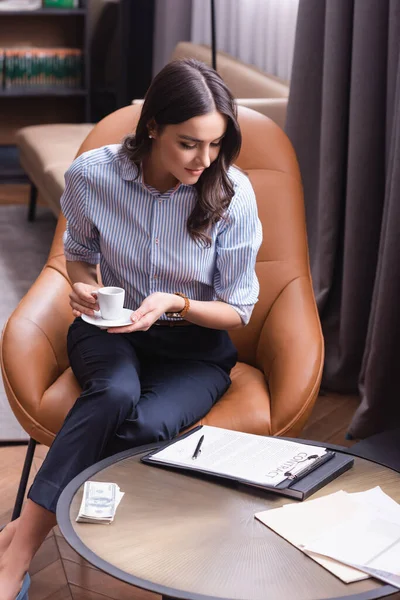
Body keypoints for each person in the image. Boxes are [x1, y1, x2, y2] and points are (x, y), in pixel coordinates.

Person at [0, 58, 262, 599]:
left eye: (214, 145)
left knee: (142, 425)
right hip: (109, 331)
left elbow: (239, 309)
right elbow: (78, 256)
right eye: (189, 143)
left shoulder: (232, 194)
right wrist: (83, 287)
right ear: (152, 128)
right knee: (114, 391)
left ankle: (23, 532)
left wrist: (180, 304)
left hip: (195, 348)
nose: (204, 160)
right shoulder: (92, 175)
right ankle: (20, 555)